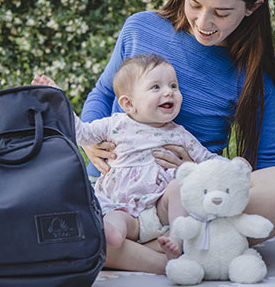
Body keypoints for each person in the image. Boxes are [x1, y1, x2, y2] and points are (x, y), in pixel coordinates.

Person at [75, 0, 275, 274]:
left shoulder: (252, 79)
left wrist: (203, 172)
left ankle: (129, 248)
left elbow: (261, 171)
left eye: (221, 12)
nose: (203, 22)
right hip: (116, 193)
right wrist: (91, 145)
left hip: (186, 201)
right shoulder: (141, 28)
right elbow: (101, 94)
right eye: (195, 3)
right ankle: (172, 256)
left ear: (252, 8)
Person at [33, 54, 223, 259]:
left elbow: (207, 159)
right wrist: (57, 100)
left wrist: (234, 167)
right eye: (156, 87)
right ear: (128, 104)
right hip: (122, 207)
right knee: (113, 223)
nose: (169, 92)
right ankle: (112, 235)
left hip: (159, 211)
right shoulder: (115, 124)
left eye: (174, 86)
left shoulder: (179, 134)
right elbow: (82, 134)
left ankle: (176, 236)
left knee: (178, 189)